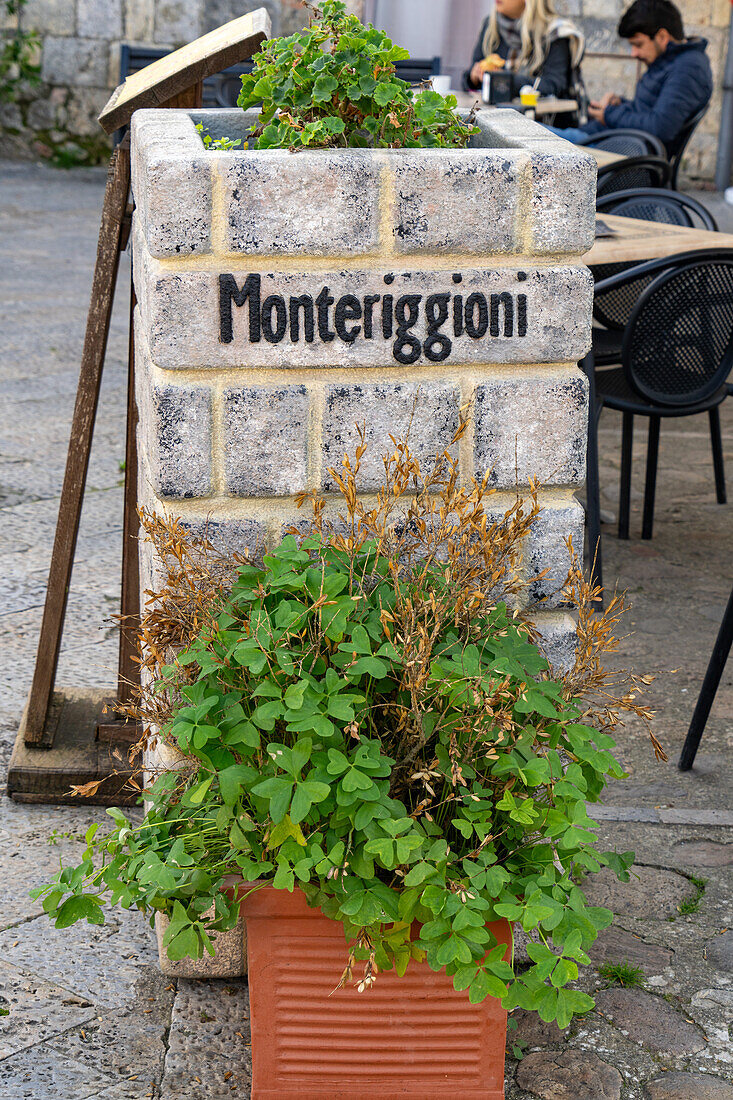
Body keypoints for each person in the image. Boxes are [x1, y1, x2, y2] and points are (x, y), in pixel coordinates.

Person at [547, 0, 712, 152]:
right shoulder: (670, 60)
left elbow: (660, 127)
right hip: (608, 140)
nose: (634, 53)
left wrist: (609, 114)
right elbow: (650, 110)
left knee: (530, 137)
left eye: (638, 44)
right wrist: (620, 104)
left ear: (662, 36)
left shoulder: (688, 68)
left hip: (618, 154)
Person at [462, 0, 584, 112]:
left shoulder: (555, 33)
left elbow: (553, 86)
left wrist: (503, 81)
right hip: (496, 116)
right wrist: (475, 76)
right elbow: (468, 81)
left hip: (545, 124)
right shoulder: (491, 25)